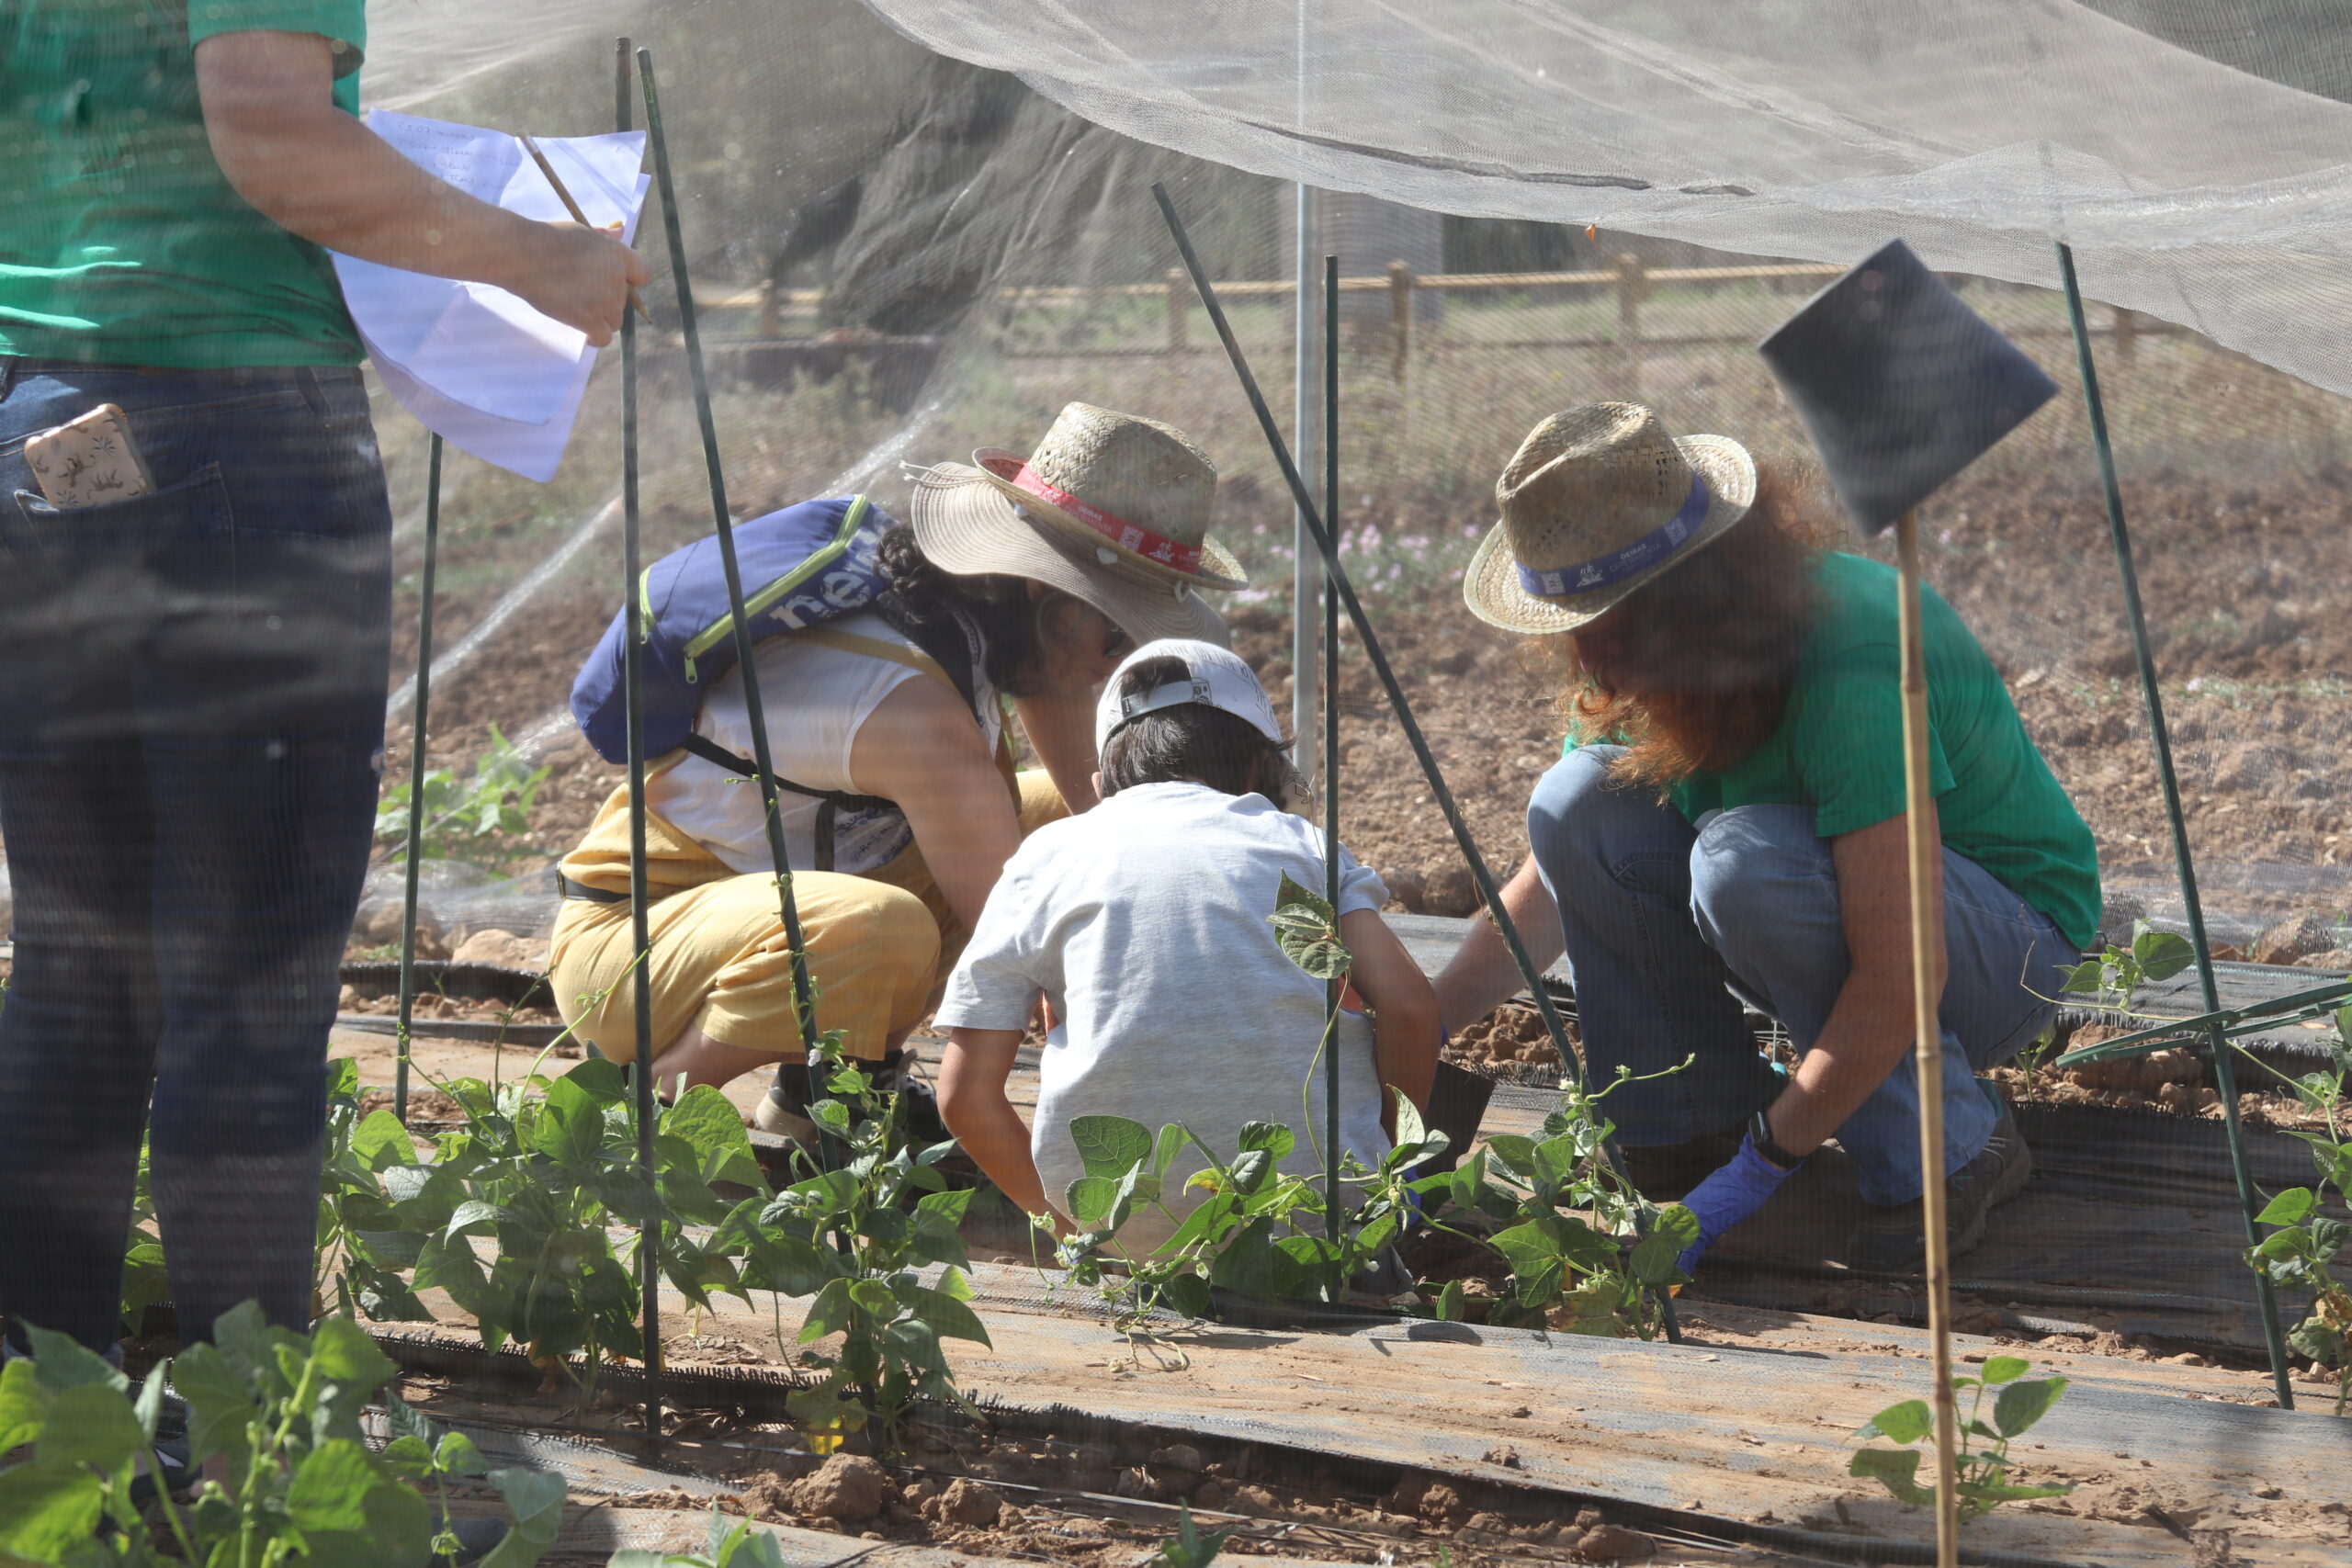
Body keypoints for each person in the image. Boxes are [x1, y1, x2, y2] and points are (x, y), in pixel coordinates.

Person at [0, 2, 646, 1360]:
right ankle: (249, 1454)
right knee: (244, 975)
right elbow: (277, 136)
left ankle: (38, 1428)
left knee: (79, 968)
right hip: (224, 427)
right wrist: (543, 258)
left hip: (31, 423)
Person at [1434, 402, 2100, 1273]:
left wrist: (1764, 1165)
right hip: (1829, 918)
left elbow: (1905, 971)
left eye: (1609, 628)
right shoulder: (1634, 661)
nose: (1592, 662)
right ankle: (1685, 1121)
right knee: (1575, 801)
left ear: (1692, 598)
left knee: (1744, 866)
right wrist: (1418, 1018)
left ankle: (1952, 1146)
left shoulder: (1853, 651)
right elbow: (1558, 876)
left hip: (2000, 946)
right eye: (1579, 630)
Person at [548, 404, 1244, 1136]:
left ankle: (824, 1094)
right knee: (890, 927)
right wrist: (1186, 1043)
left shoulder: (963, 617)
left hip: (747, 908)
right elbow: (1023, 943)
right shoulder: (917, 717)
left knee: (1049, 822)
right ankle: (644, 1109)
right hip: (631, 953)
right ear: (1046, 592)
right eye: (1116, 628)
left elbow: (1099, 808)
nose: (1119, 659)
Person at [933, 639, 1442, 1256]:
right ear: (1263, 769)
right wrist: (1387, 1157)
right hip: (1315, 1228)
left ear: (1100, 782)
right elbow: (1411, 1009)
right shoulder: (1298, 843)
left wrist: (1071, 1229)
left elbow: (962, 1093)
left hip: (1119, 1231)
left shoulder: (1047, 856)